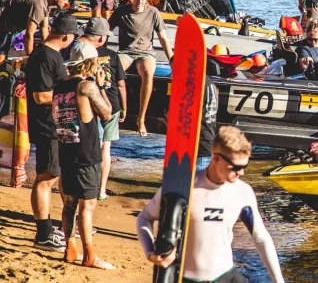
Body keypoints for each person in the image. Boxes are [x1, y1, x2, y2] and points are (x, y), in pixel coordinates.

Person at [137, 126, 284, 282]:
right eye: (236, 167)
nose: (241, 173)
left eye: (245, 167)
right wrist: (150, 252)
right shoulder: (182, 186)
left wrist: (278, 280)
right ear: (215, 158)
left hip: (225, 277)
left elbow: (261, 238)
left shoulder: (243, 192)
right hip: (186, 278)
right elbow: (144, 217)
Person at [53, 42, 115, 269]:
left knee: (68, 203)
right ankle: (90, 254)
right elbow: (107, 114)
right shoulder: (86, 86)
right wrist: (103, 86)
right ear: (90, 63)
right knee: (87, 206)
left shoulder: (59, 85)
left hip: (65, 148)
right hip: (86, 153)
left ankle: (70, 250)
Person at [26, 15, 77, 252]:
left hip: (54, 124)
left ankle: (48, 228)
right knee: (47, 177)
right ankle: (43, 233)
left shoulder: (51, 55)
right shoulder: (45, 56)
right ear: (66, 36)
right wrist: (71, 95)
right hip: (46, 125)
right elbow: (40, 95)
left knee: (52, 175)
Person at [108, 0, 173, 137]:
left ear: (147, 0)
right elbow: (106, 31)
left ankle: (141, 118)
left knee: (148, 73)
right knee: (113, 72)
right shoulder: (121, 11)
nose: (140, 2)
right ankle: (118, 111)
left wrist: (172, 60)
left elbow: (163, 38)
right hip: (126, 52)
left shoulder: (153, 12)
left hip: (146, 53)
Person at [72, 18, 126, 200]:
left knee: (85, 147)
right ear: (102, 37)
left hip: (84, 109)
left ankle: (83, 188)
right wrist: (125, 108)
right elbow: (121, 86)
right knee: (105, 148)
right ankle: (100, 190)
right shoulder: (111, 54)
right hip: (106, 103)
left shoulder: (76, 50)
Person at [0, 0, 70, 63]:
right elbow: (29, 34)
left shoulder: (45, 3)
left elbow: (44, 30)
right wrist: (30, 58)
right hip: (4, 23)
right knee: (2, 53)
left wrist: (49, 51)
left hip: (10, 26)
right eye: (64, 0)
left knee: (4, 52)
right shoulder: (38, 6)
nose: (66, 3)